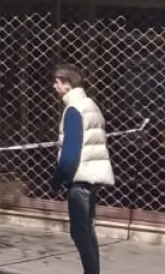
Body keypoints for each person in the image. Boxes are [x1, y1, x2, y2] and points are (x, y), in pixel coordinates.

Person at [51, 63, 115, 274]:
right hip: (91, 177)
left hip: (80, 179)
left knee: (80, 232)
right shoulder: (90, 105)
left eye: (57, 82)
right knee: (87, 231)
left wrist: (59, 177)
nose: (54, 86)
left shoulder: (74, 109)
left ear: (67, 85)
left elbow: (71, 150)